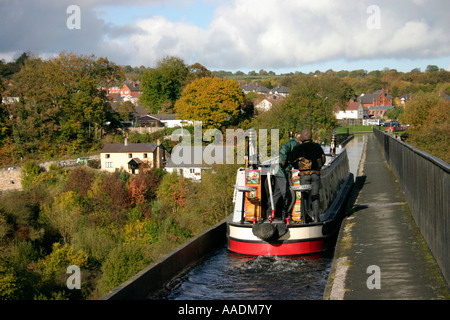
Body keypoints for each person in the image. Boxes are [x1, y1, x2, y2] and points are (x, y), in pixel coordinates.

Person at [267, 132, 301, 225]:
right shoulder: (294, 144)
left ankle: (270, 212)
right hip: (282, 172)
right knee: (289, 194)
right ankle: (286, 215)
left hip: (281, 172)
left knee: (277, 194)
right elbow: (284, 148)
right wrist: (283, 160)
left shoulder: (294, 143)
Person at [292, 128, 325, 222]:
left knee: (304, 196)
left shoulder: (298, 148)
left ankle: (304, 218)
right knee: (315, 196)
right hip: (315, 174)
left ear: (302, 137)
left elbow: (292, 162)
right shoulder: (317, 146)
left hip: (304, 174)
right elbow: (323, 159)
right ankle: (317, 218)